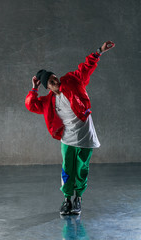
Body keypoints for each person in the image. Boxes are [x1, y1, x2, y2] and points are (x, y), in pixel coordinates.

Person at [25, 40, 115, 215]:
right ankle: (67, 199)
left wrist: (99, 51)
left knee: (82, 170)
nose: (55, 80)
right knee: (67, 170)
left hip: (86, 137)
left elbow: (86, 67)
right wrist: (34, 89)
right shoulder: (48, 101)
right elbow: (31, 105)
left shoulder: (72, 80)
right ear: (48, 88)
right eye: (51, 81)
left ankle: (78, 199)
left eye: (55, 77)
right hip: (67, 139)